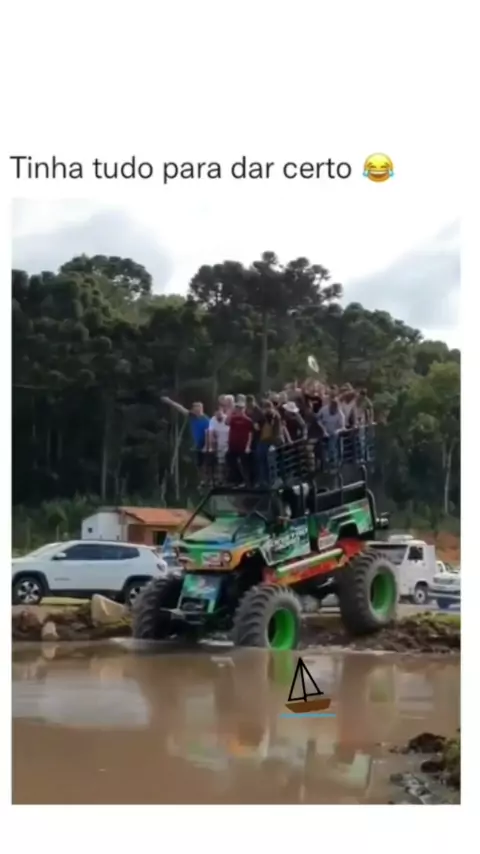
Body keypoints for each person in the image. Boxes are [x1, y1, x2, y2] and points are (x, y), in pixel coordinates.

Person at [161, 396, 210, 473]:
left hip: (201, 447)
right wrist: (169, 401)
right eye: (194, 409)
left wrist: (206, 446)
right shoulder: (191, 416)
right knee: (191, 465)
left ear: (201, 409)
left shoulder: (206, 420)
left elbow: (208, 434)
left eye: (196, 409)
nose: (194, 411)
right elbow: (180, 408)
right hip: (192, 446)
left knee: (201, 465)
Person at [255, 399, 283, 485]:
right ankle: (264, 481)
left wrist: (274, 443)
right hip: (262, 441)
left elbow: (277, 430)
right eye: (265, 408)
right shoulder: (261, 417)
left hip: (272, 441)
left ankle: (273, 480)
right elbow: (257, 426)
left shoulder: (275, 416)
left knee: (272, 462)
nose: (266, 410)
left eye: (268, 408)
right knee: (261, 461)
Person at [226, 396, 253, 484]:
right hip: (233, 445)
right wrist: (231, 411)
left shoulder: (248, 420)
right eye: (237, 408)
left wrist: (248, 446)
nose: (239, 410)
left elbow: (250, 434)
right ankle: (238, 479)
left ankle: (247, 482)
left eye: (241, 408)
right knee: (230, 460)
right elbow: (227, 422)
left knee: (244, 464)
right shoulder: (233, 418)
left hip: (243, 445)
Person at [316, 395, 346, 468]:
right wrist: (323, 429)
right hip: (323, 430)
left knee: (332, 443)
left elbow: (342, 427)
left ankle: (332, 460)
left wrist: (337, 431)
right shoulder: (324, 410)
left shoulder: (340, 415)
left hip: (334, 433)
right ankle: (321, 462)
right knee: (320, 446)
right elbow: (318, 418)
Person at [207, 408, 230, 481]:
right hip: (219, 443)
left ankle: (228, 478)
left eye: (220, 414)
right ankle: (221, 479)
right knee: (220, 462)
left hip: (229, 443)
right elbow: (210, 433)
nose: (219, 416)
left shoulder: (227, 419)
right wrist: (210, 446)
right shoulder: (212, 420)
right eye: (217, 414)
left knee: (228, 462)